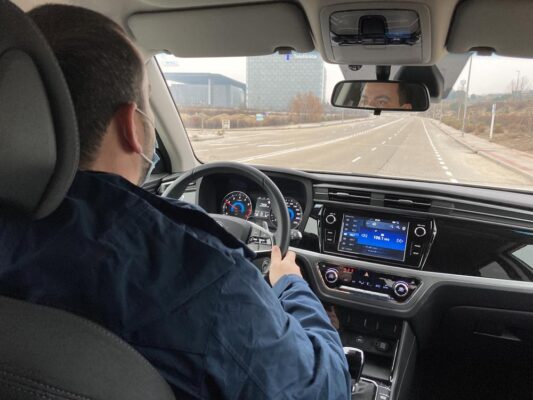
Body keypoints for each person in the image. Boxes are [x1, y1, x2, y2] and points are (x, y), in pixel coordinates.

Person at [0, 4, 351, 399]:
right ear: (132, 126)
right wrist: (290, 285)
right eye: (149, 102)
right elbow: (323, 388)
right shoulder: (199, 275)